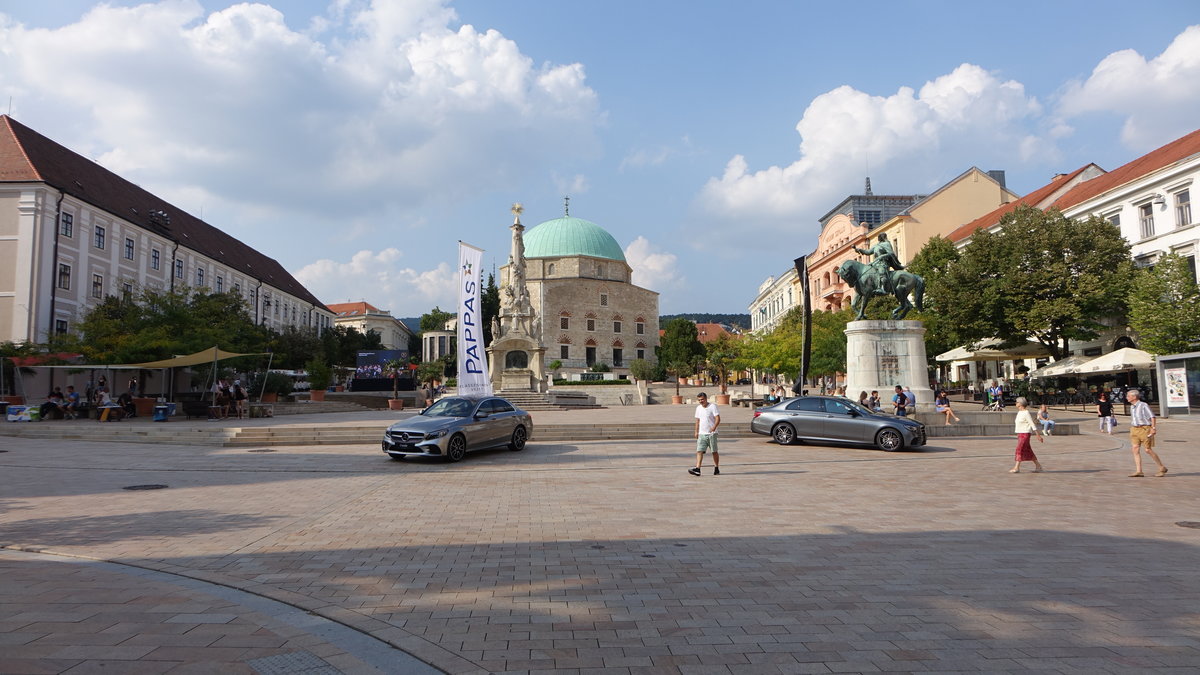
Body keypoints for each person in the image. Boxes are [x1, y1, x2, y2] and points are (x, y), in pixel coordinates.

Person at [1126, 389, 1166, 477]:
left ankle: (1161, 467)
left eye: (1128, 396)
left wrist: (1153, 428)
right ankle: (1139, 471)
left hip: (1144, 429)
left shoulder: (1143, 405)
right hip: (1134, 429)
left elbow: (1152, 416)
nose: (1127, 398)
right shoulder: (1132, 406)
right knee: (1135, 449)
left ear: (1134, 397)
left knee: (1148, 450)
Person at [689, 392, 721, 476]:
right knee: (699, 451)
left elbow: (717, 418)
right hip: (702, 433)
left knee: (714, 451)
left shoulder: (712, 407)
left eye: (702, 399)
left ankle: (716, 467)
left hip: (711, 434)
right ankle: (697, 468)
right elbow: (697, 421)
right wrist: (696, 431)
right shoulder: (698, 408)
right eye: (699, 400)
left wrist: (714, 427)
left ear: (706, 399)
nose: (701, 401)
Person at [1010, 397, 1044, 473]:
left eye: (1017, 402)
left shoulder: (1026, 413)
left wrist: (1037, 435)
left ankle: (1016, 467)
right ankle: (1038, 466)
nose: (1016, 403)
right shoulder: (1019, 412)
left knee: (1019, 449)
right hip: (1020, 433)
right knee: (1027, 450)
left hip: (1025, 433)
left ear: (1021, 404)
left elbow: (1032, 424)